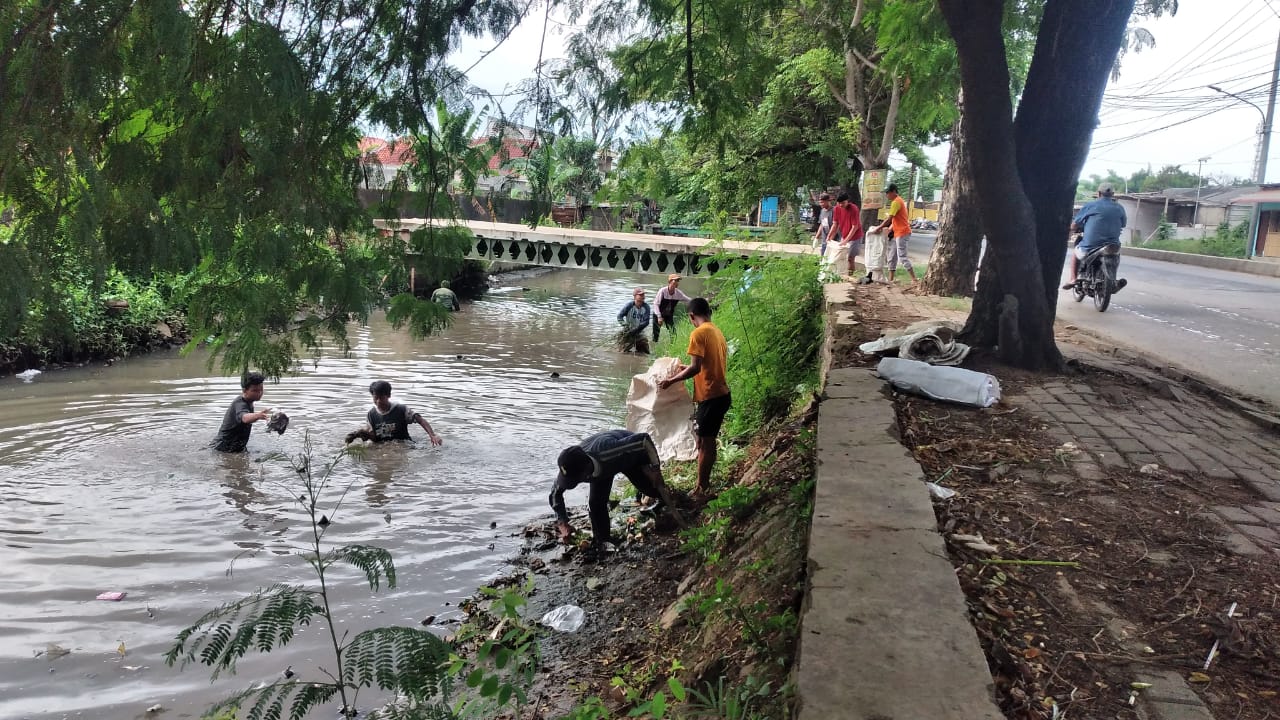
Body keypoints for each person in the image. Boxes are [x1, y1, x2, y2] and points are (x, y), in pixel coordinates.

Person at [549, 430, 671, 552]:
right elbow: (555, 493)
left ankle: (669, 501)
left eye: (576, 480)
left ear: (586, 469)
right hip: (601, 470)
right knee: (596, 503)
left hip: (628, 456)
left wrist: (655, 469)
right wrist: (562, 522)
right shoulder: (571, 466)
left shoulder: (608, 451)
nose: (573, 482)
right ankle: (603, 542)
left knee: (650, 488)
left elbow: (643, 440)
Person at [657, 297, 731, 496]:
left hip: (711, 396)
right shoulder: (716, 331)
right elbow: (704, 364)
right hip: (721, 393)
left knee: (706, 443)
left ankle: (702, 488)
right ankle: (701, 483)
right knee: (703, 439)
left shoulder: (698, 333)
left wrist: (670, 381)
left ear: (691, 316)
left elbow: (695, 368)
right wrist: (684, 368)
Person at [1063, 184, 1128, 291]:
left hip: (1091, 245)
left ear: (1098, 194)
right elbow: (1124, 224)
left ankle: (1073, 279)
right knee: (1115, 258)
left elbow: (1074, 225)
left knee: (1075, 252)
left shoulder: (1091, 205)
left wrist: (1071, 229)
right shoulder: (1120, 208)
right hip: (1112, 245)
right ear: (1112, 195)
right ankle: (1113, 281)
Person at [357, 380, 443, 445]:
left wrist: (432, 435)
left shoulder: (401, 410)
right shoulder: (371, 415)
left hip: (404, 445)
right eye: (375, 398)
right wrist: (365, 435)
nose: (378, 401)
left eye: (381, 398)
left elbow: (420, 420)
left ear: (388, 396)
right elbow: (374, 437)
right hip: (383, 447)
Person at [212, 372, 272, 452]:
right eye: (255, 390)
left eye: (261, 389)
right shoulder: (240, 403)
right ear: (244, 390)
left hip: (236, 448)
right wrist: (258, 415)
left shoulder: (249, 401)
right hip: (223, 449)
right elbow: (244, 418)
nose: (259, 393)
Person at [868, 184, 916, 284]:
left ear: (894, 191)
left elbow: (889, 219)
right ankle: (890, 279)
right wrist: (888, 229)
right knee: (891, 256)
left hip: (902, 233)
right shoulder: (898, 201)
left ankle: (914, 279)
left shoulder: (896, 202)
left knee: (902, 257)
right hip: (897, 232)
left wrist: (879, 227)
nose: (887, 195)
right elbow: (895, 220)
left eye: (888, 193)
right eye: (886, 193)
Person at [831, 192, 865, 276]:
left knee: (850, 258)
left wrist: (846, 240)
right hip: (844, 234)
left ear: (847, 201)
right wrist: (830, 236)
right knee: (840, 256)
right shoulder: (836, 209)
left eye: (843, 203)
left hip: (855, 236)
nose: (841, 205)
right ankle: (840, 274)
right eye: (839, 203)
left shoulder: (853, 209)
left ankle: (850, 275)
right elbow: (835, 224)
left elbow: (855, 226)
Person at [652, 274, 692, 342]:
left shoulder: (678, 293)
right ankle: (654, 346)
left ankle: (672, 346)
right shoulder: (663, 291)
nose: (677, 282)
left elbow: (688, 300)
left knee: (673, 332)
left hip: (668, 315)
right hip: (658, 313)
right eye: (675, 280)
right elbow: (656, 304)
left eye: (678, 281)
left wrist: (701, 300)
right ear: (670, 281)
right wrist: (659, 316)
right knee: (656, 333)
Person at [616, 287, 652, 353]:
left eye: (643, 295)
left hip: (639, 332)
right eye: (640, 295)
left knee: (646, 352)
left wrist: (637, 329)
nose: (642, 296)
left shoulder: (646, 307)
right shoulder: (629, 306)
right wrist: (625, 325)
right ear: (635, 296)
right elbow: (619, 317)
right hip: (628, 331)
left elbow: (646, 322)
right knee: (622, 352)